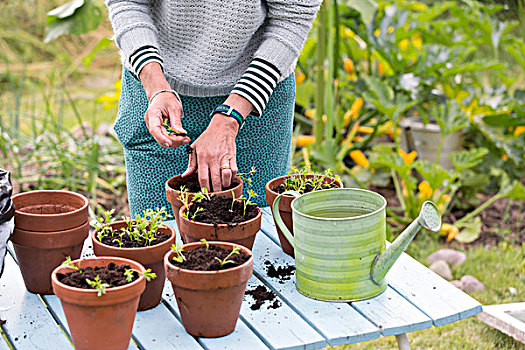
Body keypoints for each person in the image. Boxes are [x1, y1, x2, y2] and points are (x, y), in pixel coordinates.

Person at [105, 0, 322, 217]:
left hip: (254, 100)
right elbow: (127, 2)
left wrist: (231, 117)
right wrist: (156, 87)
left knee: (254, 236)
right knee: (157, 235)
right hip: (156, 90)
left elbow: (292, 18)